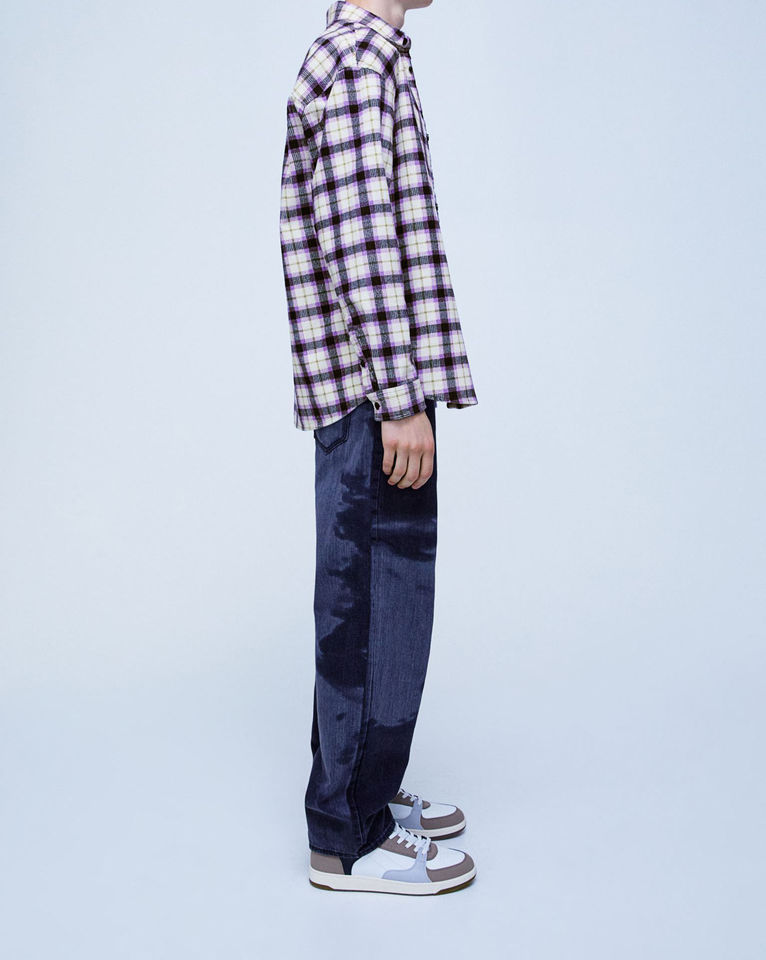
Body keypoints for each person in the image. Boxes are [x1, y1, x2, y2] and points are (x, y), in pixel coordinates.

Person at [279, 0, 478, 895]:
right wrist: (401, 398)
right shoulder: (360, 61)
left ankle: (366, 793)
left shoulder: (368, 53)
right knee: (367, 609)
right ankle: (347, 838)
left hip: (374, 389)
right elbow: (360, 242)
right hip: (374, 395)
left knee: (380, 607)